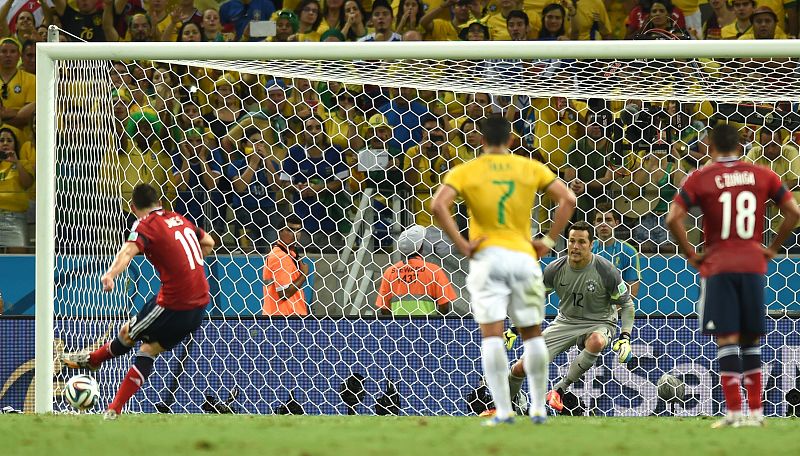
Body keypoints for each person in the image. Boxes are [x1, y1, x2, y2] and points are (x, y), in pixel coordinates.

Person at [431, 116, 576, 424]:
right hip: (523, 257)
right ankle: (538, 407)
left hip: (487, 258)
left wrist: (462, 243)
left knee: (492, 338)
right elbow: (568, 198)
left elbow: (438, 205)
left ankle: (504, 410)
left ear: (480, 139)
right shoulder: (528, 166)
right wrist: (548, 240)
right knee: (533, 336)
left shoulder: (466, 171)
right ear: (511, 140)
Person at [666, 123, 800, 428]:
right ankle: (756, 413)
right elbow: (794, 212)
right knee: (751, 338)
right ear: (741, 146)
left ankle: (733, 412)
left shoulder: (700, 177)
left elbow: (673, 217)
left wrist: (692, 253)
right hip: (753, 263)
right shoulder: (763, 175)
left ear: (711, 146)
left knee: (726, 338)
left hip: (719, 265)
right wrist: (772, 248)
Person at [61, 183, 215, 420]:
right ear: (160, 202)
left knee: (127, 334)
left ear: (133, 208)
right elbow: (209, 243)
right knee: (148, 349)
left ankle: (93, 360)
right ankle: (114, 409)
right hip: (199, 305)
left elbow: (127, 251)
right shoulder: (178, 218)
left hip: (173, 303)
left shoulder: (145, 224)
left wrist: (110, 275)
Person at [505, 222, 635, 413]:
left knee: (597, 341)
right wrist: (515, 328)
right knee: (520, 368)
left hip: (600, 322)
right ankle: (505, 406)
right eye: (572, 241)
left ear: (592, 244)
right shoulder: (554, 269)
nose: (575, 247)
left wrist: (625, 337)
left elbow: (627, 304)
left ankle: (559, 390)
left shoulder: (606, 270)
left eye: (582, 242)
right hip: (565, 322)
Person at [375, 225, 456, 316]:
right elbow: (444, 306)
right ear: (420, 247)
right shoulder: (434, 271)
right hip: (428, 327)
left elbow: (384, 309)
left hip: (398, 327)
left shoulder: (390, 272)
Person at [263, 215, 310, 316]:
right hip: (283, 319)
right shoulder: (280, 257)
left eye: (298, 230)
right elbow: (284, 293)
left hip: (288, 317)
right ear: (279, 231)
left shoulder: (289, 254)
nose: (295, 234)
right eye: (290, 230)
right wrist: (304, 275)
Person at [591, 208, 641, 298]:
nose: (603, 224)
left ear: (616, 223)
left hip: (618, 307)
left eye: (608, 220)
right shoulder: (587, 249)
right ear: (594, 224)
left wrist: (613, 310)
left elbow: (632, 290)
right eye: (599, 220)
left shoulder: (628, 251)